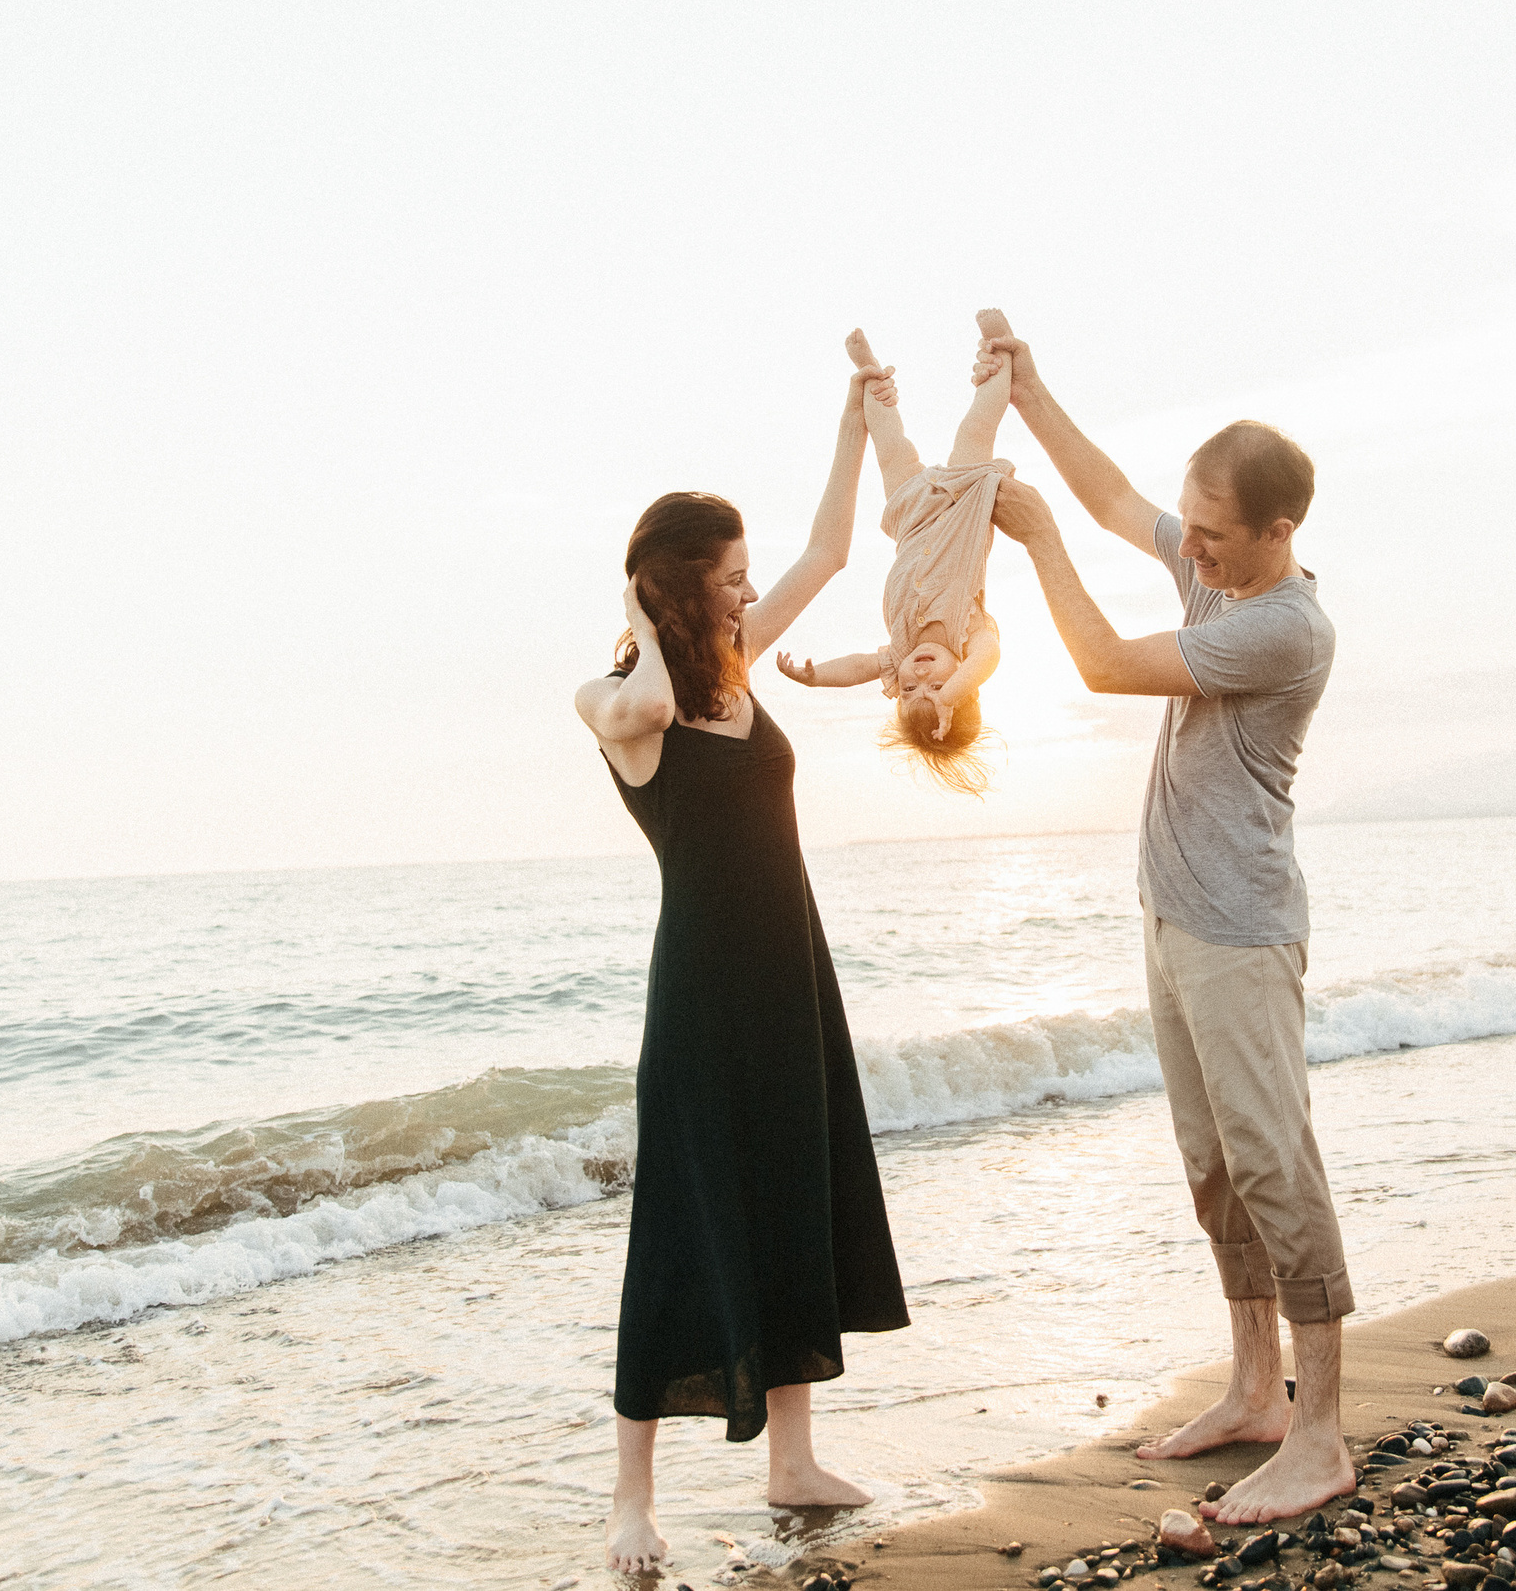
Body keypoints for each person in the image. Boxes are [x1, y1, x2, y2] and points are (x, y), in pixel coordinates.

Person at [974, 313, 1354, 1525]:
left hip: (1239, 927)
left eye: (1212, 530)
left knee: (1274, 1163)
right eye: (1189, 522)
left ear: (1277, 529)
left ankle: (1321, 1431)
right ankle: (1252, 1387)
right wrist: (1029, 394)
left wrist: (1031, 543)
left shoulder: (1281, 624)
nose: (1187, 543)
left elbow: (1094, 660)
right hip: (1172, 915)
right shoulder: (1216, 563)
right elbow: (1106, 493)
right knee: (1212, 1166)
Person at [573, 362, 910, 1573]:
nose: (750, 591)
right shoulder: (619, 697)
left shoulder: (733, 667)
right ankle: (629, 1499)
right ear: (676, 585)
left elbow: (823, 554)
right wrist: (642, 601)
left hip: (790, 980)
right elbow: (644, 698)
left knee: (794, 1198)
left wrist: (852, 426)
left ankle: (791, 1457)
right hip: (705, 1004)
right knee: (682, 1229)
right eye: (727, 576)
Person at [774, 315, 1015, 793]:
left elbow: (861, 669)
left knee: (890, 443)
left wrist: (817, 677)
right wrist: (957, 688)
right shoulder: (970, 637)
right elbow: (988, 661)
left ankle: (870, 375)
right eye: (938, 686)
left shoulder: (901, 651)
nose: (919, 676)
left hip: (910, 516)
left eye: (909, 690)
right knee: (977, 424)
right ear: (964, 686)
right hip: (964, 503)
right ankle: (999, 352)